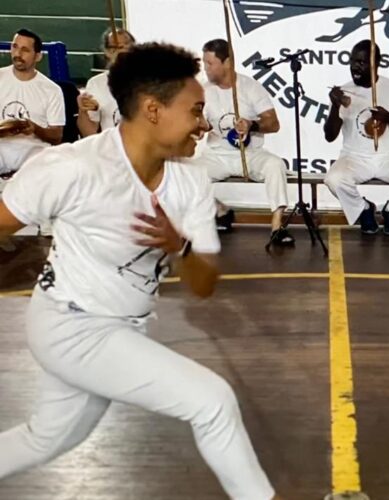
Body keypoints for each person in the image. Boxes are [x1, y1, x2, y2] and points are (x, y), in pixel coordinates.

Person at [0, 42, 284, 500]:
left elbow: (204, 283)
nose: (203, 124)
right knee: (211, 402)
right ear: (153, 110)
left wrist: (179, 245)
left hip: (122, 327)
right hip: (70, 325)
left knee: (49, 437)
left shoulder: (190, 177)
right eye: (194, 111)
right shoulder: (73, 168)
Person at [193, 39, 293, 245]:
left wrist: (251, 124)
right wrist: (197, 127)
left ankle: (277, 227)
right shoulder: (202, 91)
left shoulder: (250, 87)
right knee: (183, 175)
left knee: (275, 165)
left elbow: (273, 124)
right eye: (205, 63)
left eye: (210, 64)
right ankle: (219, 210)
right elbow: (201, 125)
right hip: (217, 155)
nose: (206, 69)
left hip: (250, 155)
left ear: (227, 62)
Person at [324, 40, 389, 235]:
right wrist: (335, 106)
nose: (355, 67)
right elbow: (329, 136)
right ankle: (364, 209)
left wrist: (388, 117)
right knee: (334, 179)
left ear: (377, 63)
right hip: (354, 157)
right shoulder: (343, 92)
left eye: (361, 62)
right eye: (352, 61)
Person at [0, 29, 64, 175]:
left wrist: (34, 128)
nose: (17, 54)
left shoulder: (51, 90)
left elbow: (56, 136)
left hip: (34, 150)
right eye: (14, 47)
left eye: (25, 50)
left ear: (38, 56)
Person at [76, 28, 136, 138]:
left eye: (126, 45)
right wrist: (83, 111)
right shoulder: (96, 83)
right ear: (107, 52)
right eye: (115, 47)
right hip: (112, 150)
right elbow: (88, 134)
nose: (121, 51)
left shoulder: (149, 80)